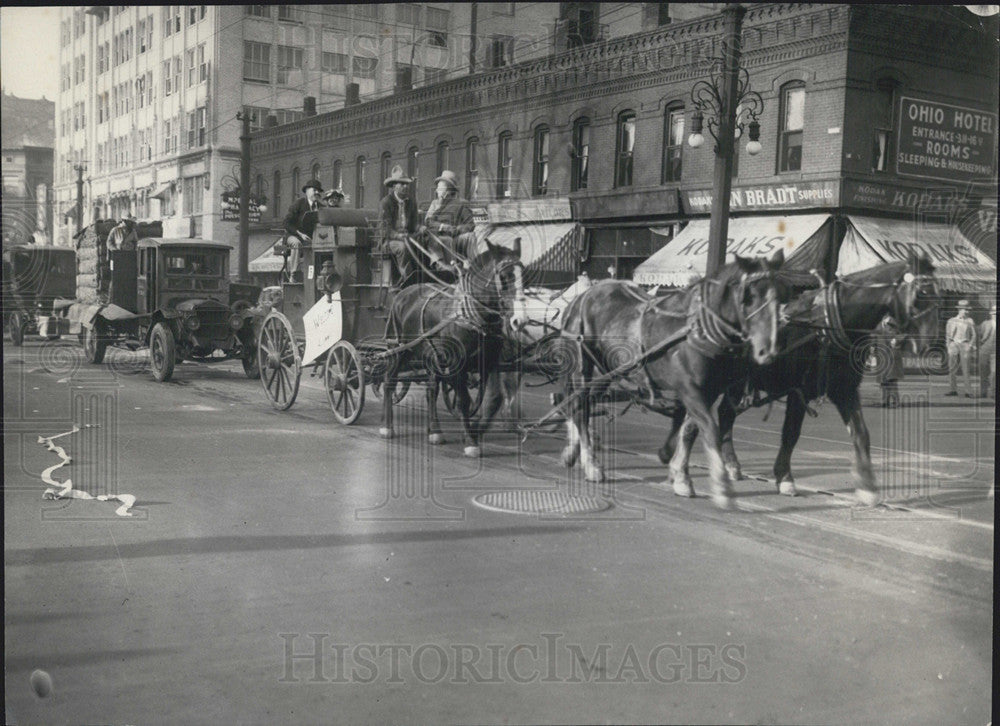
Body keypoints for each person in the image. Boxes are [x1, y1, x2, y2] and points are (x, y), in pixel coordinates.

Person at [420, 169, 475, 267]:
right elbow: (428, 221)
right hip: (434, 235)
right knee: (438, 239)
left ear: (448, 189)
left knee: (447, 240)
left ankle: (450, 267)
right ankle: (441, 265)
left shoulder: (461, 204)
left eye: (439, 187)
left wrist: (458, 229)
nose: (436, 190)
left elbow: (470, 224)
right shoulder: (435, 203)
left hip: (453, 236)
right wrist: (443, 226)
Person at [378, 165, 419, 285]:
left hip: (407, 237)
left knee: (423, 243)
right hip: (388, 241)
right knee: (402, 248)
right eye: (402, 184)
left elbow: (413, 225)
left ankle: (424, 277)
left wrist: (420, 228)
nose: (405, 186)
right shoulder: (386, 203)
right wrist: (398, 236)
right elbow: (384, 229)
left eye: (406, 184)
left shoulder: (411, 202)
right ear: (394, 186)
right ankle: (408, 281)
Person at [283, 179, 324, 281]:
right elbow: (286, 223)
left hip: (310, 238)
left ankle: (316, 276)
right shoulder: (299, 203)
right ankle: (294, 274)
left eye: (318, 191)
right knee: (297, 244)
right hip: (294, 235)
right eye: (314, 190)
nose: (317, 193)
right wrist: (300, 234)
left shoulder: (321, 207)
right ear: (307, 191)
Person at [945, 299, 977, 397]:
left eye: (968, 310)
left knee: (966, 369)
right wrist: (949, 346)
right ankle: (952, 389)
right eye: (965, 310)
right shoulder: (951, 320)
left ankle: (968, 391)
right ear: (960, 310)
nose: (967, 312)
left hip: (965, 344)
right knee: (952, 368)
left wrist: (970, 345)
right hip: (954, 344)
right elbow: (948, 335)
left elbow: (974, 335)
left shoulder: (969, 321)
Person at [875, 313, 904, 408]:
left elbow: (898, 335)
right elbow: (875, 338)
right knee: (883, 380)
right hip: (881, 355)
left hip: (890, 354)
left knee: (891, 380)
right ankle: (884, 401)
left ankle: (896, 401)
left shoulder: (892, 323)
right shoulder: (879, 323)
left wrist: (895, 340)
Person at [978, 303, 996, 399]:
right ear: (990, 313)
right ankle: (983, 392)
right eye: (993, 312)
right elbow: (979, 336)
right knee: (983, 372)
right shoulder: (985, 323)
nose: (995, 314)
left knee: (994, 372)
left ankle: (993, 392)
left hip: (996, 352)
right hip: (984, 350)